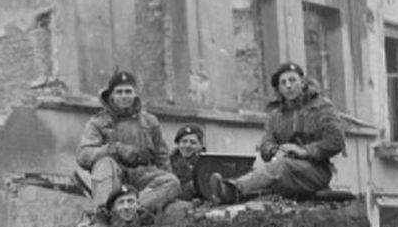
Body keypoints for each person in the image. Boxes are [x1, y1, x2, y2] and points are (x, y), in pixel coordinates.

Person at [210, 62, 345, 204]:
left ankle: (232, 190)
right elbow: (266, 144)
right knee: (267, 174)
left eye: (292, 80)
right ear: (279, 89)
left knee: (281, 167)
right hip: (285, 167)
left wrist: (303, 151)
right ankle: (225, 192)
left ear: (302, 82)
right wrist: (275, 150)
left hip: (316, 170)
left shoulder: (321, 107)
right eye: (283, 83)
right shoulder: (276, 116)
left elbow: (336, 141)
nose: (288, 86)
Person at [76, 69, 181, 218]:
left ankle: (131, 211)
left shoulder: (149, 122)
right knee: (104, 164)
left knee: (172, 182)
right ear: (111, 95)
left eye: (128, 91)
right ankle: (102, 215)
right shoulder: (98, 122)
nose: (124, 96)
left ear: (135, 94)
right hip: (114, 177)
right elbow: (83, 156)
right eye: (119, 92)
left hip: (143, 178)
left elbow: (162, 156)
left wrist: (168, 191)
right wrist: (115, 149)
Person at [170, 124, 205, 201]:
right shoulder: (167, 162)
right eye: (184, 141)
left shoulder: (206, 163)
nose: (187, 146)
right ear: (178, 144)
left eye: (193, 143)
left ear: (200, 145)